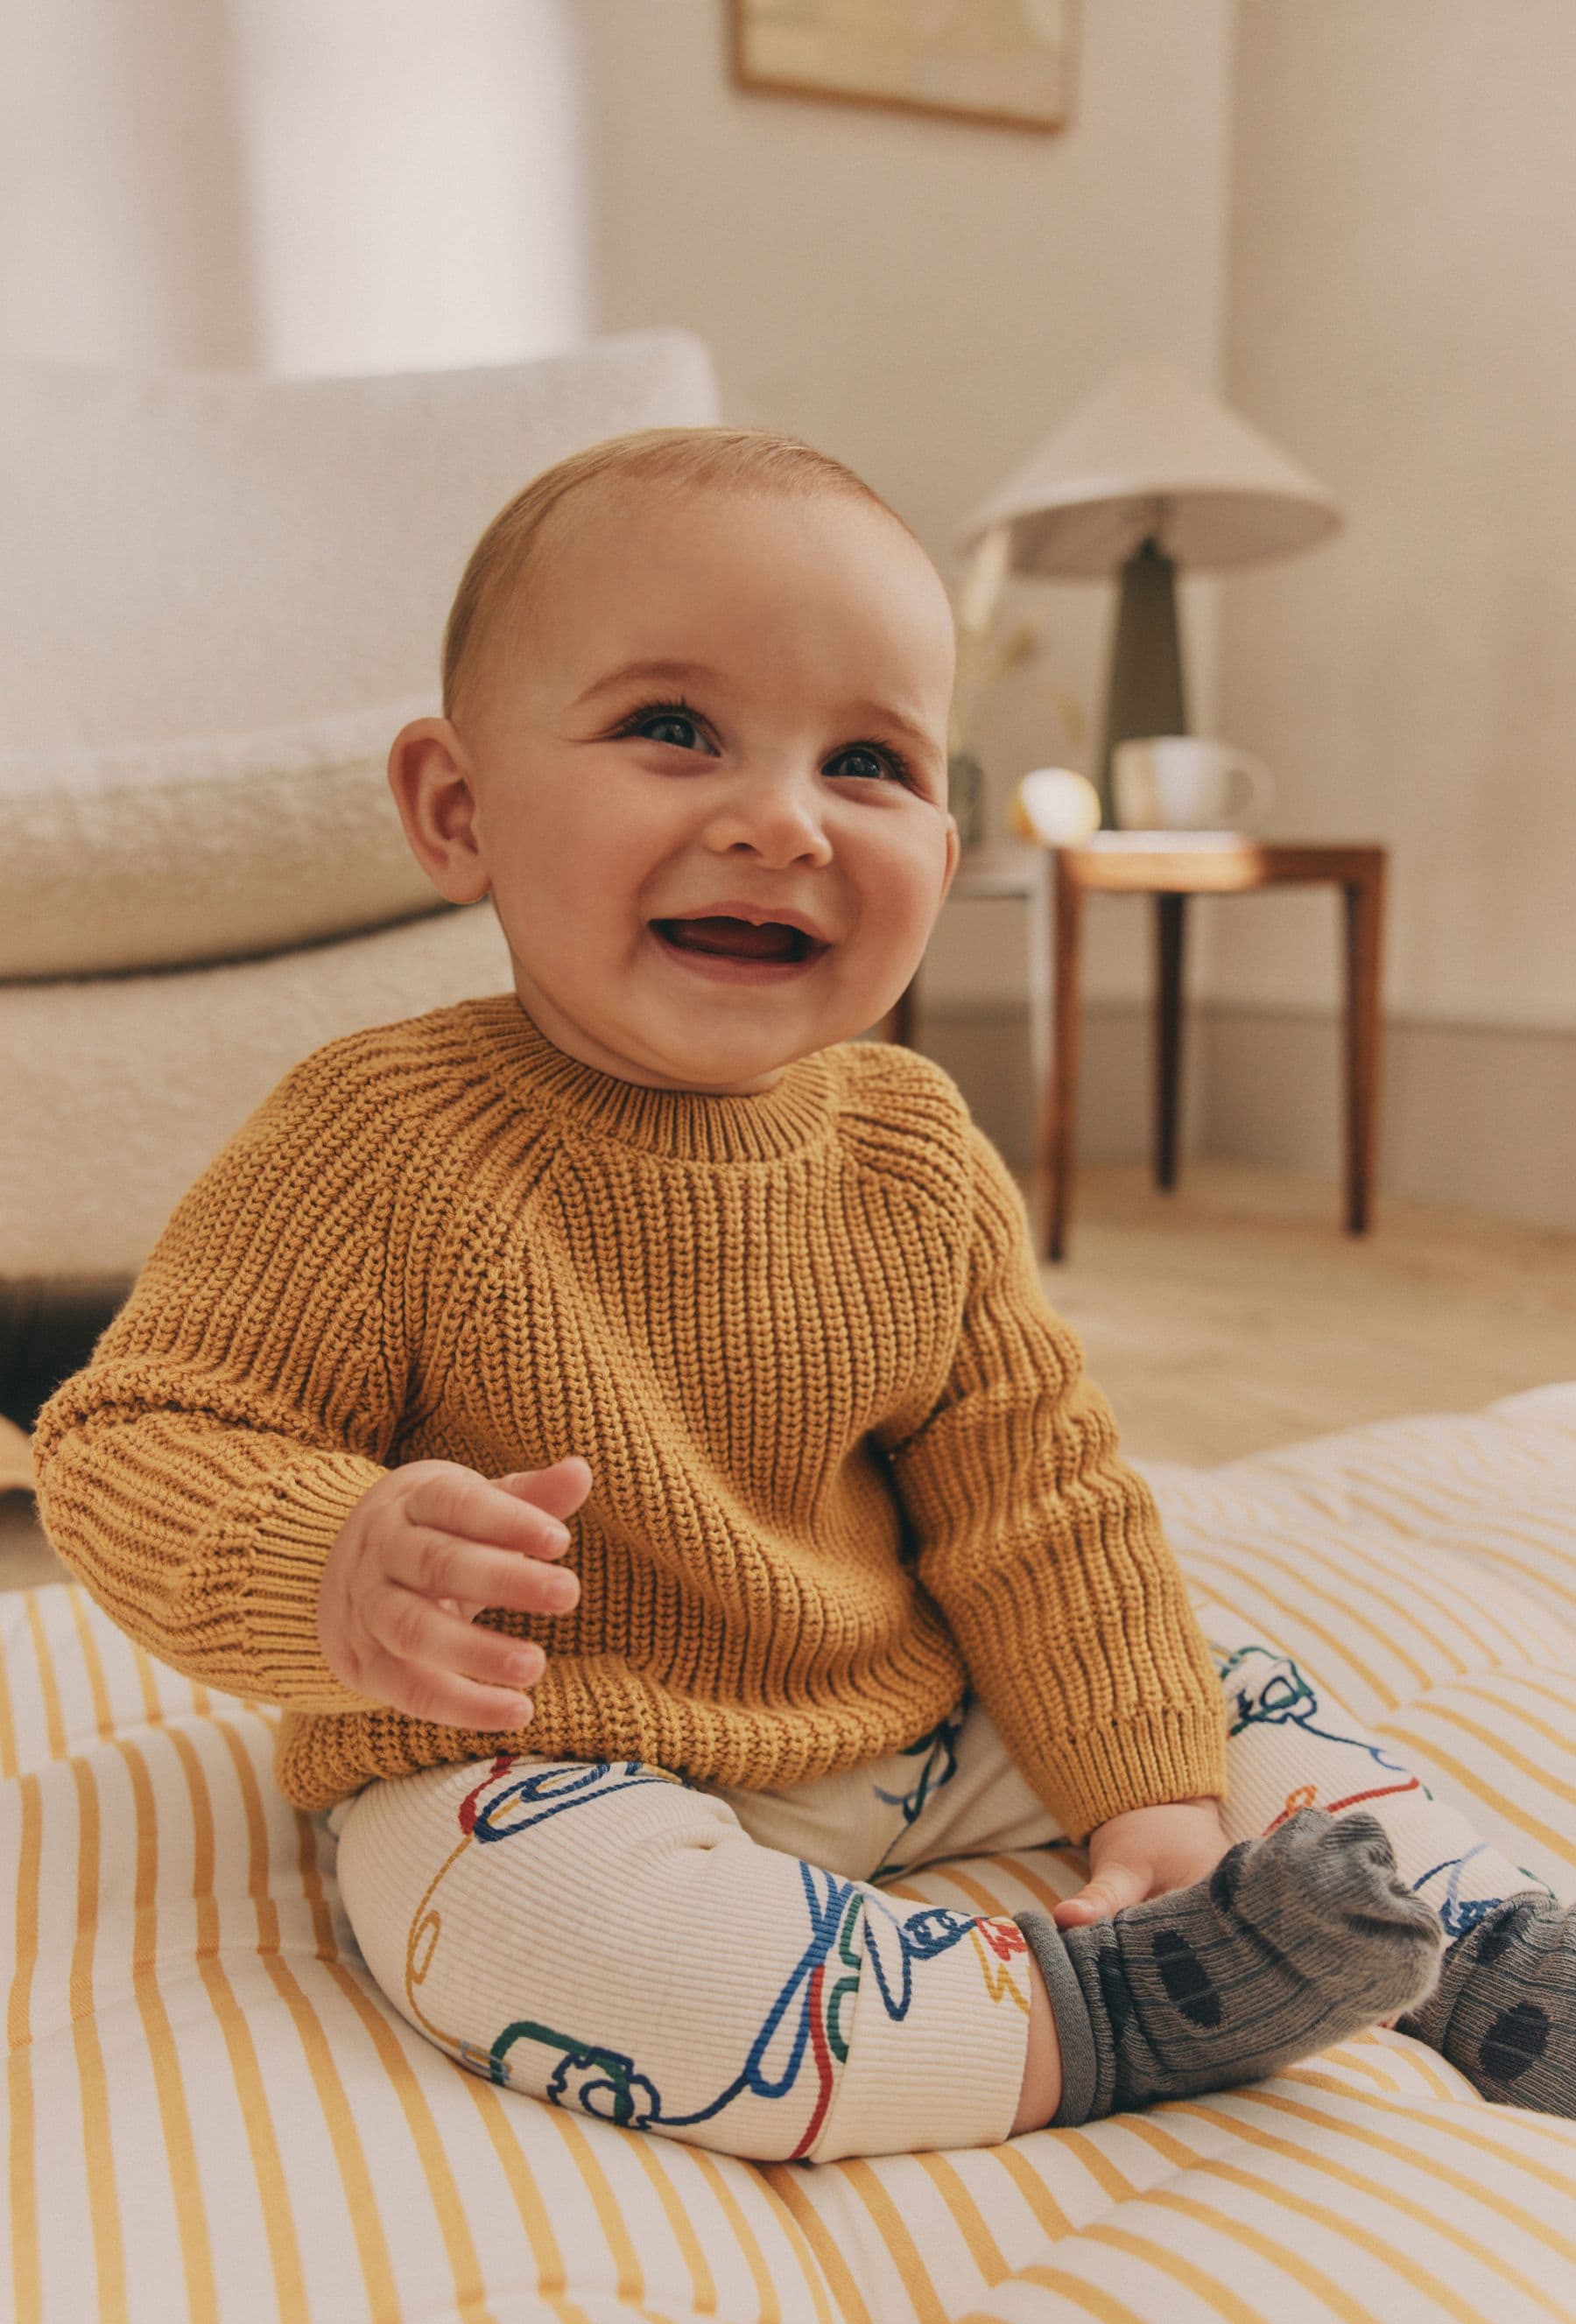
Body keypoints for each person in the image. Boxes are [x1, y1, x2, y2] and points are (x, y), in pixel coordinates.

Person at [29, 428, 1571, 2164]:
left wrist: (1145, 1793)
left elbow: (1040, 1506)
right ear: (456, 809)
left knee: (1211, 1677)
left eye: (868, 760)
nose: (779, 820)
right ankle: (1105, 2011)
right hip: (549, 1747)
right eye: (671, 730)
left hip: (903, 1704)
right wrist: (328, 1561)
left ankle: (1481, 1948)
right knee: (508, 1919)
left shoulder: (914, 1146)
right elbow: (142, 1431)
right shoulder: (374, 1138)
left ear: (943, 829)